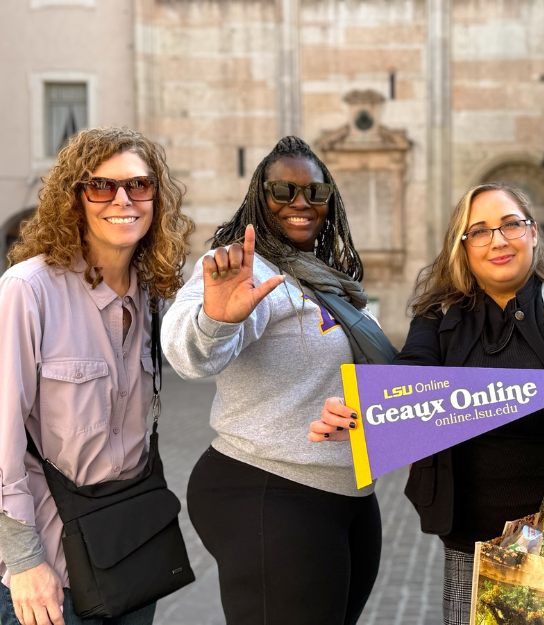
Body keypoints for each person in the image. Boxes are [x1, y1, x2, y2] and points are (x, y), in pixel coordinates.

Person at [312, 183, 544, 625]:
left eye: (511, 225)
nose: (498, 240)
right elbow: (410, 378)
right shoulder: (437, 315)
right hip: (469, 546)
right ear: (463, 247)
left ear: (533, 233)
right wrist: (364, 412)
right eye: (479, 231)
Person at [161, 136, 382, 625]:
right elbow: (187, 354)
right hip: (270, 490)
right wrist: (216, 319)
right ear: (259, 199)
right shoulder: (247, 269)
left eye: (315, 192)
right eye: (283, 191)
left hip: (347, 495)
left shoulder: (323, 280)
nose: (301, 203)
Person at [0, 127, 194, 625]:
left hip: (133, 556)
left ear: (156, 198)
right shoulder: (28, 290)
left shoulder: (153, 294)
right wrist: (23, 561)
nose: (123, 200)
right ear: (75, 198)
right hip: (49, 573)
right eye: (101, 186)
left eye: (138, 185)